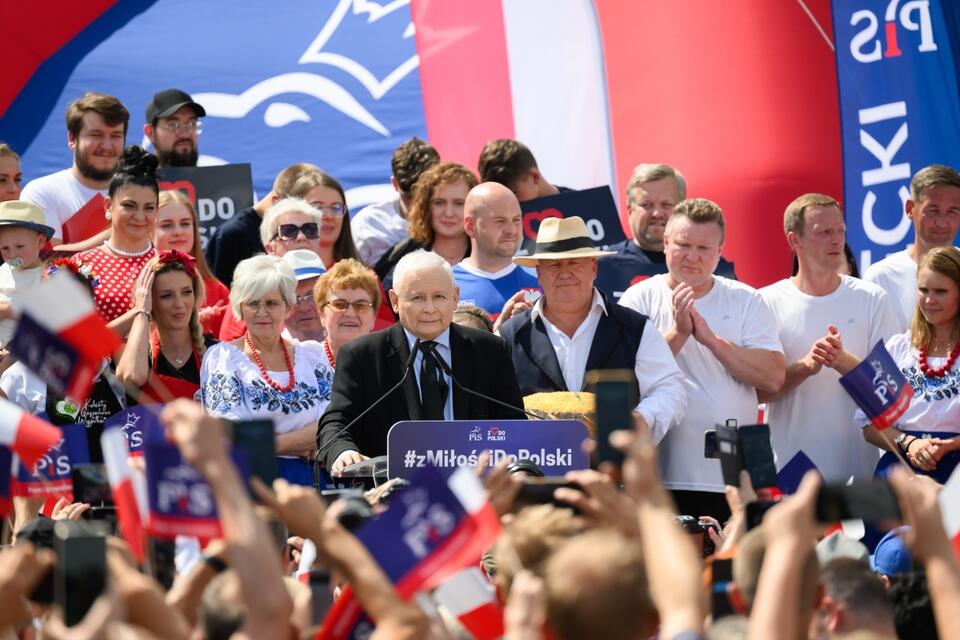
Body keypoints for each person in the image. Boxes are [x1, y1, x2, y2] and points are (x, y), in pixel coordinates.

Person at [619, 198, 784, 521]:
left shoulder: (746, 299)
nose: (692, 257)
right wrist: (679, 334)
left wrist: (710, 340)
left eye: (704, 248)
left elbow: (773, 378)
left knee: (739, 565)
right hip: (663, 472)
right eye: (683, 244)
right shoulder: (638, 298)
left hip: (738, 470)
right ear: (665, 243)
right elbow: (626, 379)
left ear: (720, 251)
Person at [318, 250, 525, 475]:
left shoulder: (490, 350)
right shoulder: (362, 355)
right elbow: (336, 422)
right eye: (417, 298)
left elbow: (514, 424)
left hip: (478, 487)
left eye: (439, 297)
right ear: (395, 301)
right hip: (393, 490)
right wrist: (343, 451)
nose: (429, 308)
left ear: (455, 298)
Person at [497, 216, 686, 442]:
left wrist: (640, 419)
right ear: (539, 273)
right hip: (535, 468)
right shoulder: (510, 335)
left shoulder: (634, 328)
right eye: (554, 264)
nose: (565, 273)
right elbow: (490, 401)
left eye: (574, 263)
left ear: (593, 267)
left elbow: (669, 389)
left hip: (613, 469)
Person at [759, 194, 899, 482]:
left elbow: (893, 392)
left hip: (860, 474)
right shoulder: (764, 302)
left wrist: (843, 361)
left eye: (840, 231)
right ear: (794, 240)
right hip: (789, 474)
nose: (837, 240)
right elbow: (757, 393)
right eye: (824, 232)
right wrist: (806, 367)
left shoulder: (872, 299)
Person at [200, 254, 333, 485]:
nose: (262, 312)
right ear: (240, 307)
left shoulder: (313, 356)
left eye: (271, 303)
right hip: (254, 482)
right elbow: (233, 435)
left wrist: (273, 444)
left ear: (288, 307)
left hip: (314, 479)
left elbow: (332, 424)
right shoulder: (223, 359)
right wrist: (302, 446)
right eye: (253, 303)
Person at [0, 259, 124, 462]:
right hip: (53, 491)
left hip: (112, 490)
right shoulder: (19, 378)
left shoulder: (112, 369)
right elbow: (10, 454)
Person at [857, 246, 960, 483]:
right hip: (900, 471)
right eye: (923, 290)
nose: (929, 300)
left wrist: (948, 446)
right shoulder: (898, 347)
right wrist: (909, 442)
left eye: (941, 291)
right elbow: (869, 422)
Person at [600, 163, 736, 296]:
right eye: (646, 205)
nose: (657, 213)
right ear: (630, 210)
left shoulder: (713, 267)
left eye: (666, 204)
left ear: (682, 209)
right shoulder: (601, 266)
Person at [19, 92, 129, 251]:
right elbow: (48, 262)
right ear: (72, 139)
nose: (107, 146)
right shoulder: (42, 192)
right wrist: (119, 232)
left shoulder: (142, 190)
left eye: (116, 136)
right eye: (96, 135)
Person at [864, 164, 960, 329]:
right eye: (933, 210)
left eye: (952, 211)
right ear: (910, 209)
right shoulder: (880, 277)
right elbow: (872, 352)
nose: (942, 222)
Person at [74, 145, 158, 324]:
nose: (140, 217)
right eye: (129, 206)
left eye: (149, 208)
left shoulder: (170, 263)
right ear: (108, 206)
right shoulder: (79, 264)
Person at [115, 251, 212, 402]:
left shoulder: (217, 353)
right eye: (166, 296)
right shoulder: (138, 354)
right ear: (150, 301)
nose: (179, 304)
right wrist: (141, 311)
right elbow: (131, 376)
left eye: (186, 292)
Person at [205, 162, 321, 286]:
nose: (301, 236)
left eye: (309, 228)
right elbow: (220, 295)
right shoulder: (231, 235)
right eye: (289, 231)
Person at [374, 162, 477, 290]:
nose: (449, 213)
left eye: (459, 203)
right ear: (426, 207)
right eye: (439, 203)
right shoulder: (404, 260)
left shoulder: (489, 259)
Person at [452, 182, 539, 316]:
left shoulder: (542, 278)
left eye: (516, 220)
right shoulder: (447, 284)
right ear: (470, 226)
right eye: (500, 221)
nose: (511, 230)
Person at [352, 137, 439, 266]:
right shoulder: (367, 224)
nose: (417, 205)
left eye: (425, 195)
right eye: (409, 197)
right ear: (395, 183)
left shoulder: (451, 219)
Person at [155, 190, 230, 335]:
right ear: (149, 230)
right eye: (166, 225)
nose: (178, 231)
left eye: (185, 224)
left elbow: (232, 344)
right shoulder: (137, 283)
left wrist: (207, 327)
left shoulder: (217, 290)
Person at [0, 201, 55, 346]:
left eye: (19, 247)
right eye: (5, 248)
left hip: (26, 348)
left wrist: (8, 311)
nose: (12, 254)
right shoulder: (3, 270)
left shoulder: (46, 276)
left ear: (40, 241)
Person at [313, 258, 380, 368]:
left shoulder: (390, 368)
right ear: (321, 314)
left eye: (361, 305)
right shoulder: (303, 363)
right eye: (339, 304)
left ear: (374, 317)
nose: (350, 313)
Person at [477, 138, 569, 202]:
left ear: (534, 177)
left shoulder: (581, 206)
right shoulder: (491, 224)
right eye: (498, 198)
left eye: (514, 194)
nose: (507, 203)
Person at [143, 88, 206, 168]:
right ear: (150, 132)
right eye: (173, 125)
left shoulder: (215, 179)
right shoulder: (136, 180)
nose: (185, 134)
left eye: (191, 124)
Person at [281, 249, 326, 343]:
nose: (304, 308)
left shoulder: (350, 345)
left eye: (312, 296)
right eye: (293, 299)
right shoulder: (269, 354)